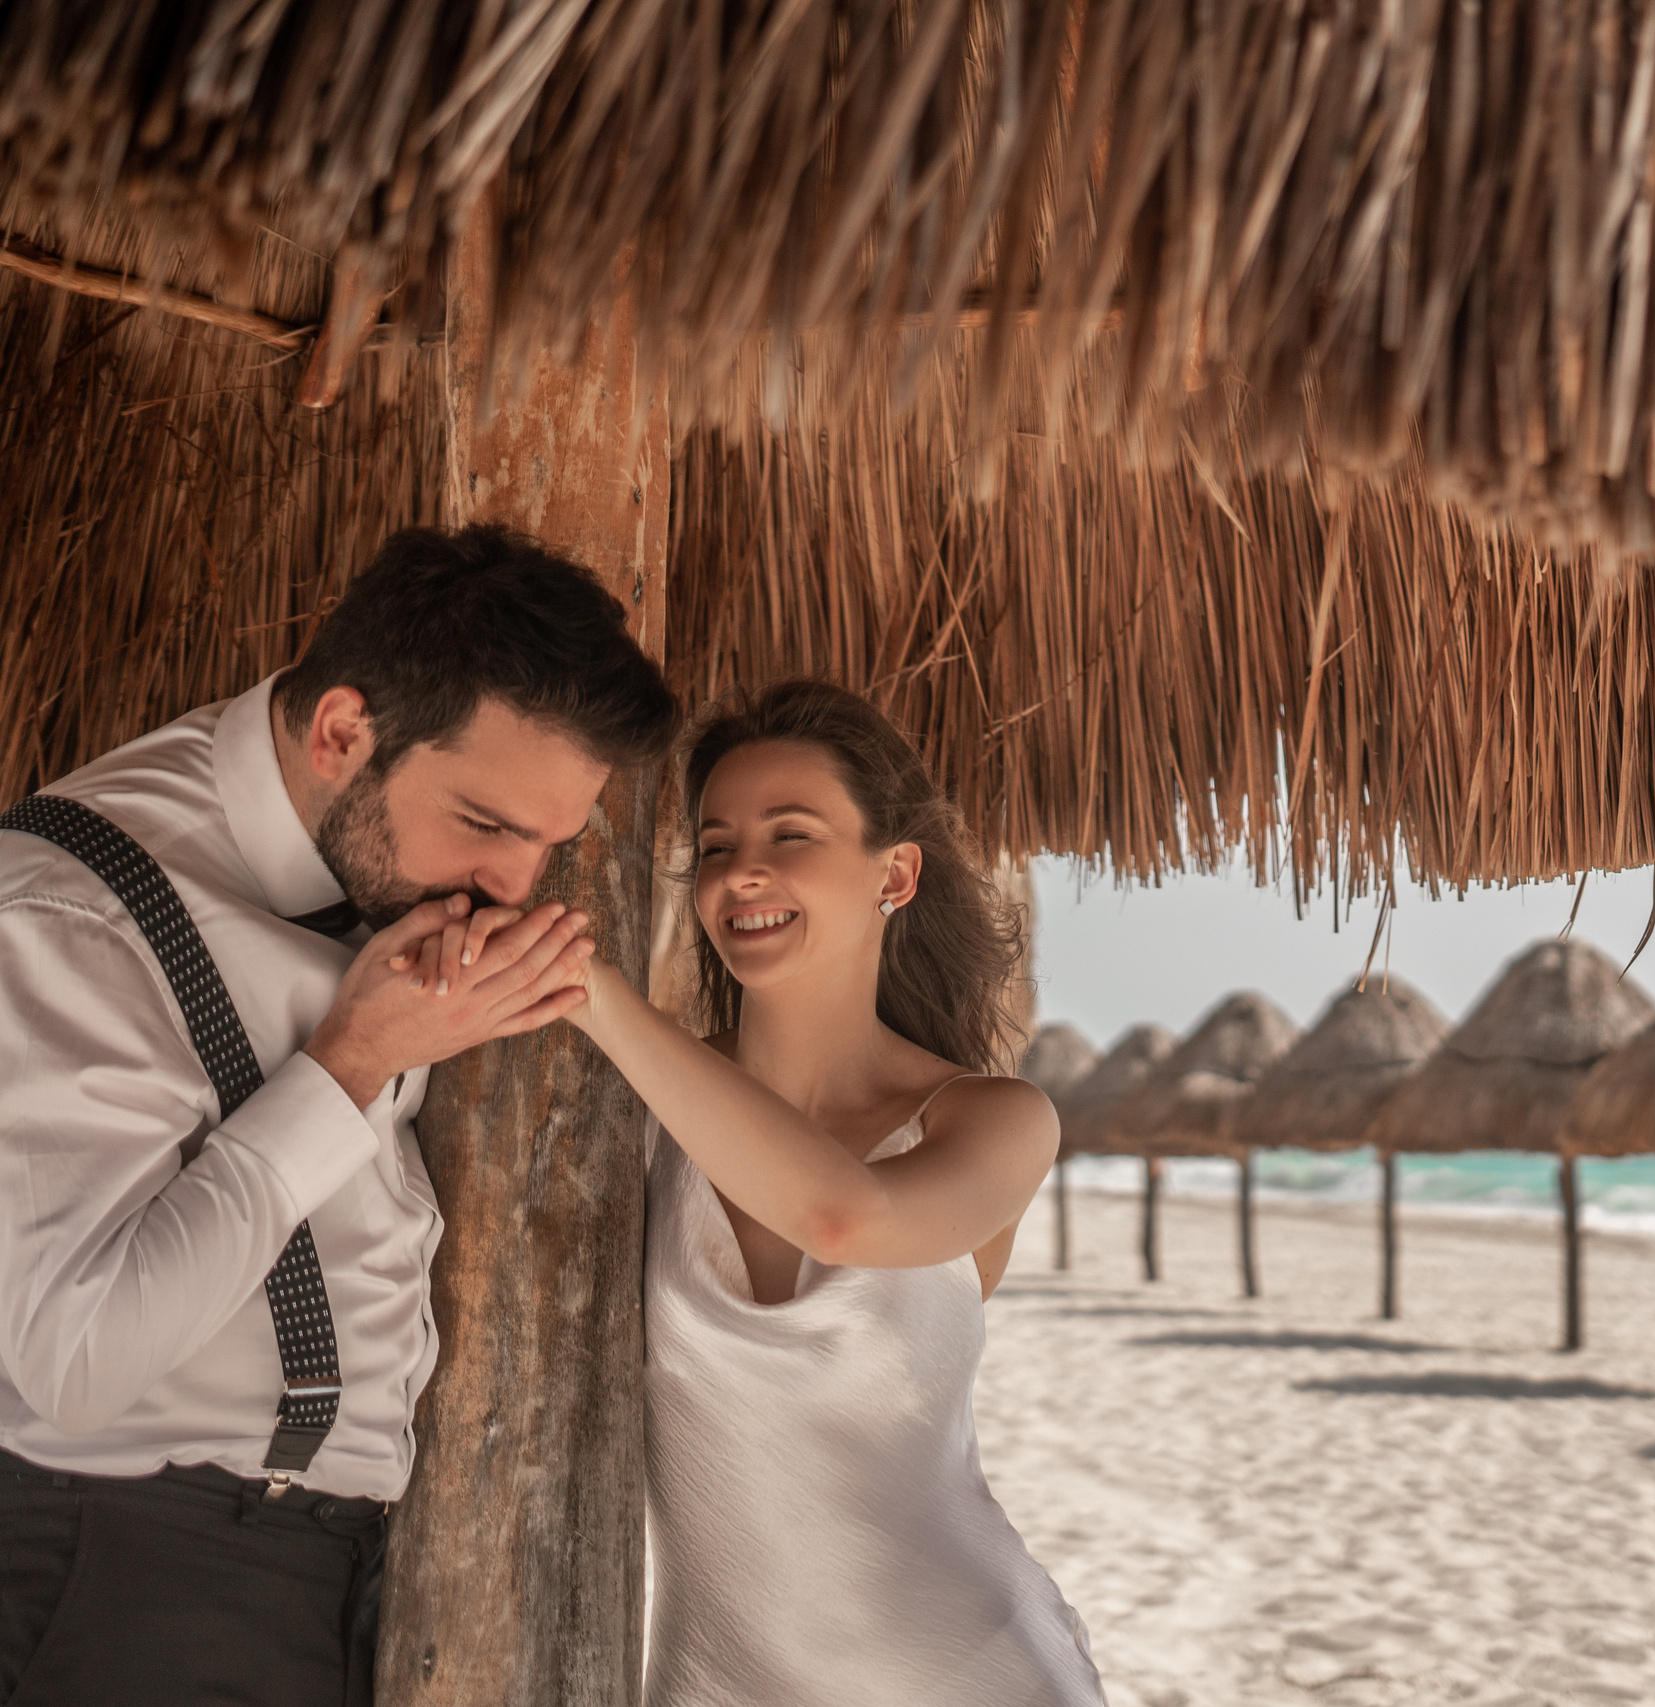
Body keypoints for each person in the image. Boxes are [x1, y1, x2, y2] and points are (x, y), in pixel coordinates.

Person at [0, 525, 677, 1707]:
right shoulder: (66, 917)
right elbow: (77, 1361)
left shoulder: (379, 864)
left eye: (549, 843)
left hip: (338, 1585)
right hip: (127, 1575)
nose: (515, 884)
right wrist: (352, 1064)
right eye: (488, 823)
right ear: (342, 734)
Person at [480, 678, 1105, 1706]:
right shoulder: (637, 1119)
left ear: (894, 872)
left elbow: (844, 1215)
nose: (742, 871)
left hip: (968, 1673)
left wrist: (597, 996)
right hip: (717, 1683)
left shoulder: (995, 1120)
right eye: (715, 845)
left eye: (791, 834)